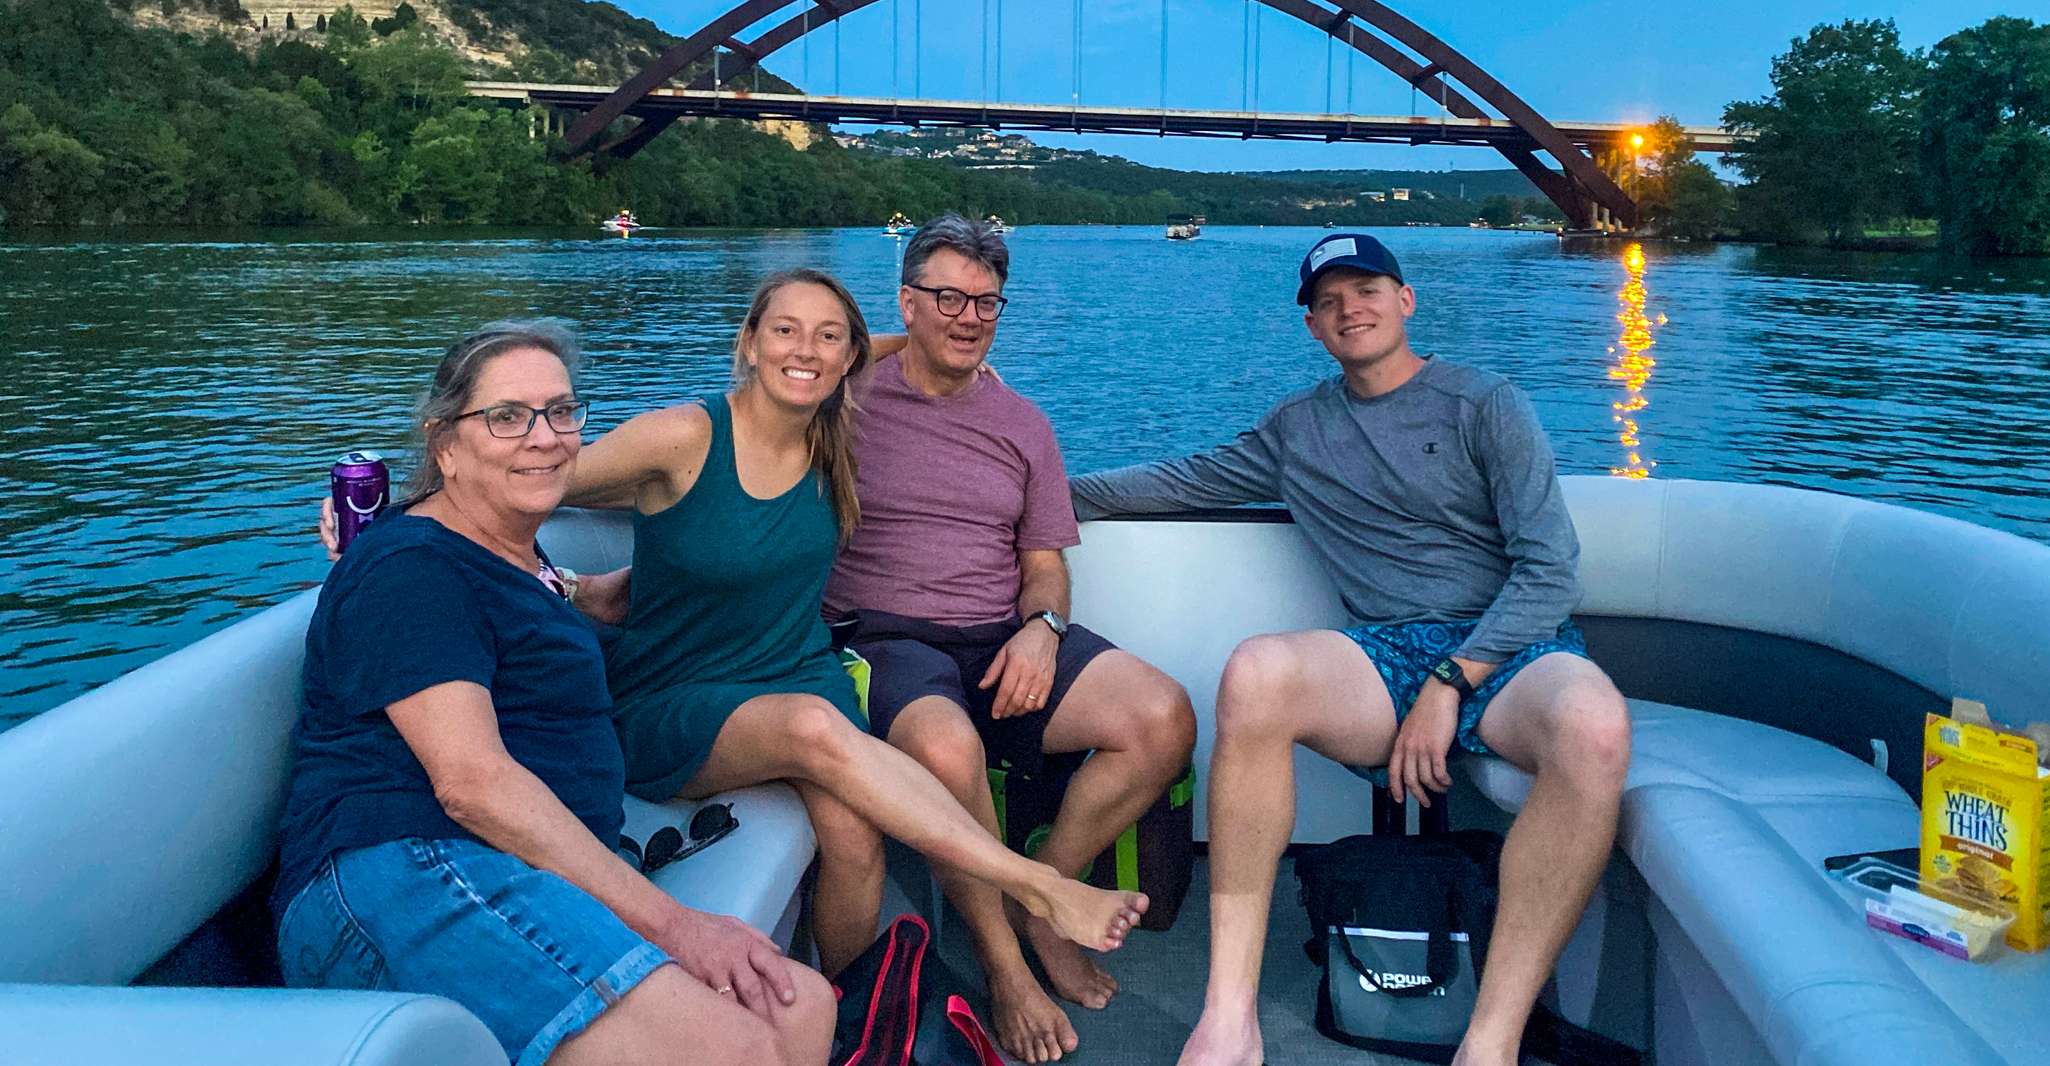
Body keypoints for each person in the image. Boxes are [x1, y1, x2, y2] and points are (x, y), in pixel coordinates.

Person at [318, 277, 1147, 987]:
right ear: (748, 342)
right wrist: (391, 513)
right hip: (671, 697)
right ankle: (1035, 885)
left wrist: (929, 337)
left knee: (854, 838)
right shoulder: (684, 436)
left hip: (791, 667)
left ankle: (854, 1016)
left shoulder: (833, 436)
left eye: (828, 339)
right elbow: (538, 471)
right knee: (818, 729)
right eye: (783, 330)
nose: (806, 350)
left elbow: (874, 346)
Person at [1069, 234, 1633, 1066]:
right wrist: (1030, 486)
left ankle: (1492, 1039)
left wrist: (1452, 682)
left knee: (1595, 729)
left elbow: (1550, 571)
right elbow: (1176, 483)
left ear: (1406, 301)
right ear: (1313, 328)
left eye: (1366, 289)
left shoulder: (1485, 402)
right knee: (1257, 672)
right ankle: (1229, 1017)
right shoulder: (1299, 428)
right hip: (1388, 653)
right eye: (1328, 302)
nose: (1349, 309)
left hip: (1509, 648)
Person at [275, 321, 836, 1066]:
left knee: (804, 1008)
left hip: (513, 863)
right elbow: (474, 785)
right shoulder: (411, 565)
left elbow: (599, 600)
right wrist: (677, 925)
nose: (544, 437)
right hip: (404, 867)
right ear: (446, 443)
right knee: (737, 1050)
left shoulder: (515, 556)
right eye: (507, 417)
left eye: (562, 411)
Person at [833, 215, 1198, 1063]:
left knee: (1162, 718)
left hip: (1000, 635)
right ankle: (1008, 970)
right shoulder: (845, 397)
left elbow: (1044, 564)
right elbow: (786, 362)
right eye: (948, 299)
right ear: (906, 302)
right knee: (947, 750)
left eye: (987, 303)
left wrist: (1043, 629)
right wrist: (884, 344)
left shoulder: (1023, 423)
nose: (969, 318)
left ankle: (1046, 902)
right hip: (884, 637)